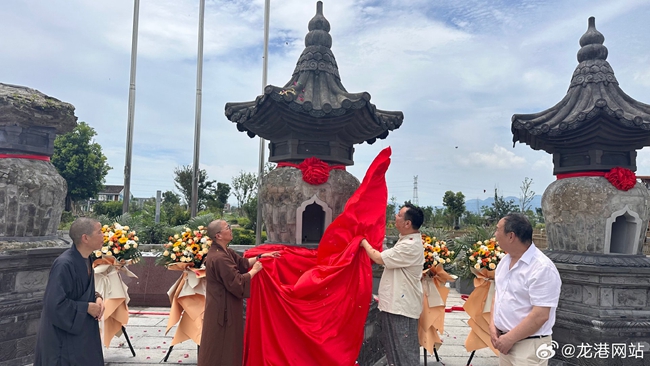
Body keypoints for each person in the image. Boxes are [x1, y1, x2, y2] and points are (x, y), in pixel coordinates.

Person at [198, 219, 280, 366]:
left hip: (225, 306)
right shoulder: (219, 257)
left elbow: (241, 263)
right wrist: (254, 271)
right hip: (221, 311)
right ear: (218, 235)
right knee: (221, 347)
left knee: (228, 345)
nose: (230, 229)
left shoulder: (224, 251)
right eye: (227, 228)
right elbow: (236, 282)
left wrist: (261, 256)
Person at [490, 213, 562, 366]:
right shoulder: (505, 261)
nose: (495, 235)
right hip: (505, 343)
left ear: (511, 236)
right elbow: (499, 294)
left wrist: (509, 338)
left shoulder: (542, 268)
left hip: (529, 346)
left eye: (497, 230)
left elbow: (540, 315)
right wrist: (493, 326)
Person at [34, 217, 105, 365]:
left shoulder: (87, 258)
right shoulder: (64, 264)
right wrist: (86, 307)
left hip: (81, 334)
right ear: (85, 238)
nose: (103, 235)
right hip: (62, 339)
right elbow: (54, 305)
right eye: (99, 232)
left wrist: (97, 297)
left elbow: (80, 291)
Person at [360, 203, 425, 366]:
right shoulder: (405, 241)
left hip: (402, 308)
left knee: (405, 354)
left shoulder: (410, 245)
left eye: (399, 215)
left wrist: (362, 242)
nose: (395, 217)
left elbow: (379, 258)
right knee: (394, 352)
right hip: (394, 305)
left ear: (407, 223)